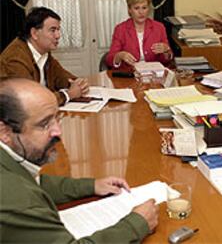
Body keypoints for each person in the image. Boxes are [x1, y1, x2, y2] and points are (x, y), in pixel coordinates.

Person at [0, 78, 159, 242]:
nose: (58, 131)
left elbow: (36, 183)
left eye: (56, 117)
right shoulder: (18, 202)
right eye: (44, 124)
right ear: (4, 132)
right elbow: (23, 195)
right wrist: (137, 224)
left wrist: (91, 186)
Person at [0, 7, 89, 106]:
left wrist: (78, 83)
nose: (58, 35)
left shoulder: (44, 52)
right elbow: (31, 101)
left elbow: (63, 78)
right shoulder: (15, 58)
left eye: (58, 30)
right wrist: (68, 95)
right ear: (34, 33)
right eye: (53, 30)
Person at [106, 0, 172, 71]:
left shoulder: (159, 27)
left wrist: (166, 51)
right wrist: (119, 55)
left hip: (154, 75)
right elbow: (109, 60)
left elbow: (167, 59)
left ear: (148, 9)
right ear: (129, 10)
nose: (141, 12)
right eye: (136, 8)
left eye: (144, 8)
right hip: (129, 76)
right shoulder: (120, 29)